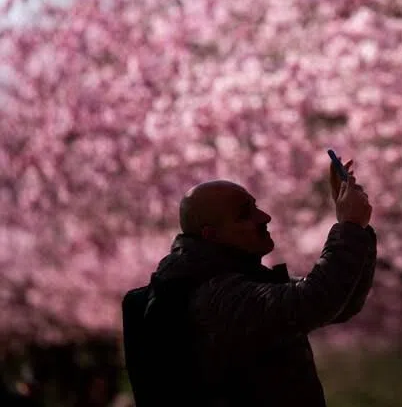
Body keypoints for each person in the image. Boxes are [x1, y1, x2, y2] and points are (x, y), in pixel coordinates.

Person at [134, 158, 376, 407]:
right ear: (211, 235)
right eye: (245, 214)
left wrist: (358, 229)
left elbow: (341, 304)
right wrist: (350, 227)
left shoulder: (234, 281)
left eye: (255, 207)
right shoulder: (217, 296)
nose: (264, 217)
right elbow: (313, 300)